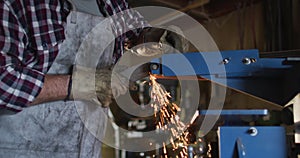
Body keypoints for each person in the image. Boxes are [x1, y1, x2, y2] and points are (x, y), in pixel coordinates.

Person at [0, 0, 187, 157]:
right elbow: (3, 83)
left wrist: (156, 41)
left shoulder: (112, 3)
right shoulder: (19, 4)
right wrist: (77, 85)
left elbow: (130, 58)